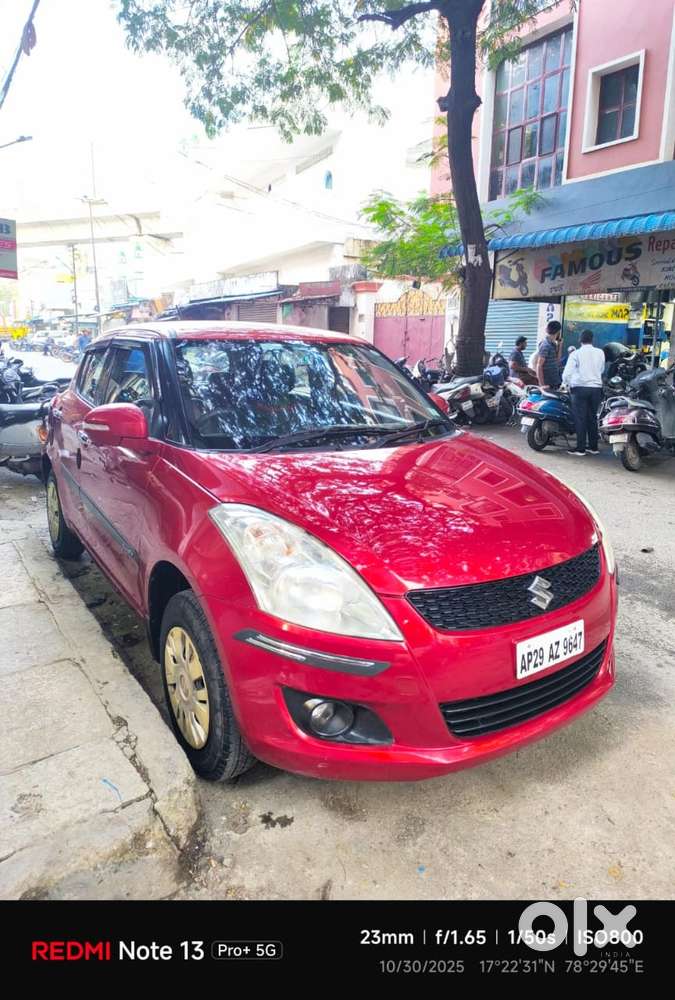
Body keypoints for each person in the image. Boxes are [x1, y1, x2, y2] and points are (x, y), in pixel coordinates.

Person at [562, 328, 605, 457]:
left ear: (580, 340)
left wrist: (566, 383)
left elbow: (567, 373)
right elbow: (601, 369)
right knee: (592, 417)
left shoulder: (576, 354)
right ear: (592, 340)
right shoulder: (600, 352)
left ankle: (580, 449)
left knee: (580, 419)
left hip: (579, 388)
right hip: (596, 388)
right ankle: (593, 447)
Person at [535, 320, 562, 390]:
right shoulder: (545, 345)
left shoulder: (553, 344)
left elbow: (557, 361)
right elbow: (539, 365)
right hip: (547, 384)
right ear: (558, 331)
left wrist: (560, 346)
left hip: (555, 382)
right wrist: (542, 385)